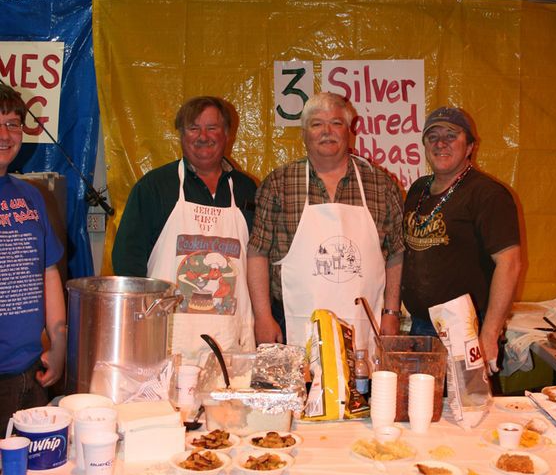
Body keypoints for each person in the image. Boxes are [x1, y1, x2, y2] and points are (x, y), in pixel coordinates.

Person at [247, 92, 404, 354]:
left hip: (365, 325)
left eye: (336, 123)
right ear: (304, 133)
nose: (327, 132)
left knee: (363, 394)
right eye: (317, 124)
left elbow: (396, 254)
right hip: (290, 323)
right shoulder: (279, 183)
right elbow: (257, 252)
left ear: (349, 131)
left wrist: (391, 311)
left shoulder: (380, 184)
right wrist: (263, 316)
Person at [112, 96, 257, 359]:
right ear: (181, 134)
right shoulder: (155, 187)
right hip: (166, 338)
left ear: (227, 134)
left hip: (232, 338)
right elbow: (127, 261)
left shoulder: (248, 190)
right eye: (193, 128)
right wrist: (138, 325)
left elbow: (258, 262)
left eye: (212, 128)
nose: (203, 136)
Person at [401, 106, 522, 372]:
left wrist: (489, 334)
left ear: (469, 147)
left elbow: (509, 264)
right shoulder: (418, 189)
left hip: (466, 328)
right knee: (424, 408)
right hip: (421, 325)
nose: (440, 143)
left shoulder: (488, 195)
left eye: (451, 135)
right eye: (433, 137)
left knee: (470, 408)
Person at [0, 83, 66, 438]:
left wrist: (58, 344)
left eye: (12, 123)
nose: (5, 134)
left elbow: (48, 271)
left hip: (28, 374)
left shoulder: (31, 196)